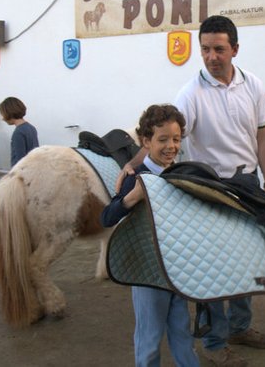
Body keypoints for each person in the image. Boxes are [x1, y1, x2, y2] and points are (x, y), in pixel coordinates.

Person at [117, 15, 265, 367]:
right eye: (205, 49)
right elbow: (165, 132)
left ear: (235, 49)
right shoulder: (190, 93)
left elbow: (264, 135)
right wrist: (134, 163)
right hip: (209, 189)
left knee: (246, 261)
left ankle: (240, 327)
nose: (211, 56)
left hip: (247, 185)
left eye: (219, 49)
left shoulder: (253, 86)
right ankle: (215, 342)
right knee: (214, 270)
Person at [101, 104, 200, 367]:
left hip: (178, 271)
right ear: (146, 141)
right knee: (149, 337)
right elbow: (107, 217)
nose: (171, 146)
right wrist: (131, 199)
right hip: (147, 276)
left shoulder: (182, 175)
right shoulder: (136, 178)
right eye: (163, 139)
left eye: (176, 139)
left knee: (182, 333)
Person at [0, 96, 39, 166]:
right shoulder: (31, 127)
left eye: (2, 114)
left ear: (8, 113)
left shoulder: (18, 133)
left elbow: (20, 160)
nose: (2, 118)